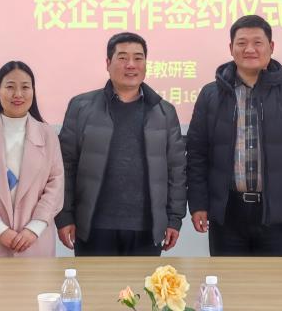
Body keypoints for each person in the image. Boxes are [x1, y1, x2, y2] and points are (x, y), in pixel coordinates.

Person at [186, 14, 282, 256]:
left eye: (257, 42)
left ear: (271, 46)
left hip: (277, 212)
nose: (249, 49)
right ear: (231, 48)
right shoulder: (211, 95)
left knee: (273, 279)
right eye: (241, 43)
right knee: (227, 278)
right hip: (226, 212)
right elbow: (197, 154)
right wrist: (198, 204)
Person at [55, 32, 187, 256]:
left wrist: (174, 218)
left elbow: (177, 169)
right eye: (123, 57)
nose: (131, 65)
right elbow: (65, 166)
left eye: (138, 58)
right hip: (93, 226)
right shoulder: (81, 107)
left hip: (147, 228)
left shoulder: (164, 112)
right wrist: (65, 216)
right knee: (94, 280)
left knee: (143, 281)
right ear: (108, 63)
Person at [0, 61, 64, 259]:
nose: (18, 94)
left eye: (25, 87)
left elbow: (56, 185)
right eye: (10, 87)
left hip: (34, 242)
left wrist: (34, 228)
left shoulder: (47, 135)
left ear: (33, 91)